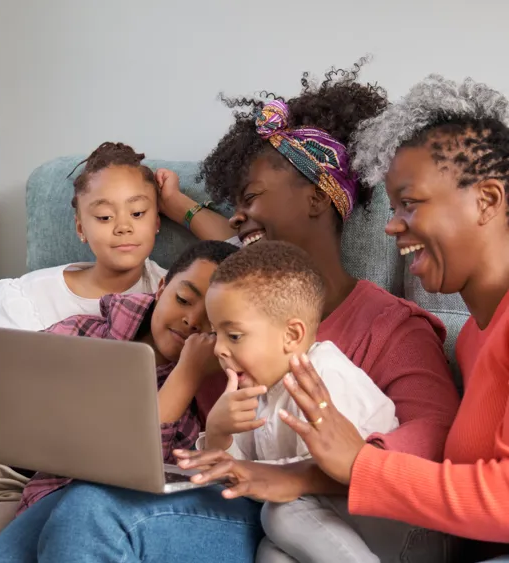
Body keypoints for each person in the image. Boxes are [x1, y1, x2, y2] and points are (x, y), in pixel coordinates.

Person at [0, 64, 460, 563]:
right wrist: (177, 208)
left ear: (317, 196)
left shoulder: (388, 324)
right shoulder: (216, 308)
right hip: (207, 481)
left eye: (250, 198)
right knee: (22, 535)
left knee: (91, 510)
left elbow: (433, 437)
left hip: (298, 510)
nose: (236, 215)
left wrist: (307, 474)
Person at [180, 75, 509, 563]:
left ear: (487, 200)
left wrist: (359, 463)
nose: (391, 225)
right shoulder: (477, 337)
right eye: (393, 207)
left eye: (411, 204)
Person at [0, 240, 238, 561]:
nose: (193, 320)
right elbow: (9, 393)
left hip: (125, 503)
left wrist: (187, 374)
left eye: (212, 317)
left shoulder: (212, 379)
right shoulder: (87, 332)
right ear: (160, 288)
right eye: (183, 299)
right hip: (53, 488)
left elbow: (137, 463)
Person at [0, 141, 166, 559]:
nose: (123, 227)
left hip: (88, 483)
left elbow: (242, 260)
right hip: (2, 467)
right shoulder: (21, 297)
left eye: (138, 212)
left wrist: (184, 203)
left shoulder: (173, 300)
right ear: (80, 227)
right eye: (103, 216)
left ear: (157, 222)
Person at [200, 240, 398, 563]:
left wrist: (252, 473)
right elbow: (239, 474)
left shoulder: (326, 378)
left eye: (233, 336)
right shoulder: (258, 389)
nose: (218, 349)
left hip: (399, 531)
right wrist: (218, 433)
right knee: (270, 554)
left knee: (280, 516)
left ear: (291, 336)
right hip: (335, 535)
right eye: (215, 334)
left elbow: (339, 478)